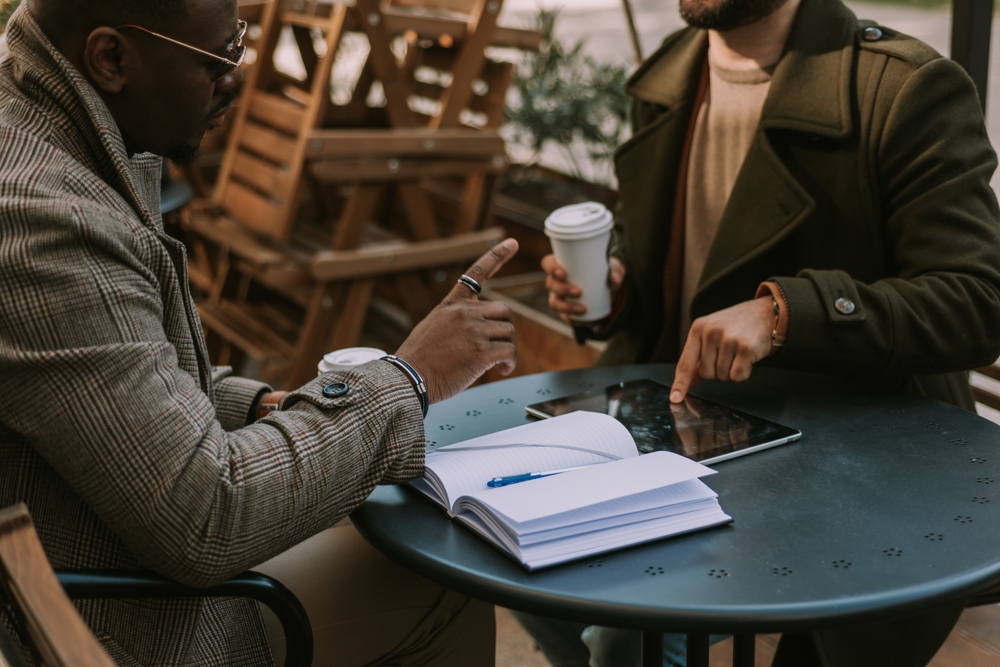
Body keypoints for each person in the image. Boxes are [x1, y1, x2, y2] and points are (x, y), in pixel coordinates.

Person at [0, 0, 520, 664]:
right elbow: (208, 517)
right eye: (216, 57)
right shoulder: (43, 221)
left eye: (242, 40)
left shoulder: (57, 113)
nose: (237, 74)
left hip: (98, 564)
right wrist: (408, 377)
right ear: (111, 58)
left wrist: (265, 407)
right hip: (126, 626)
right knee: (447, 580)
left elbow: (120, 376)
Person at [530, 0, 1000, 664]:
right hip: (682, 432)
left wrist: (786, 315)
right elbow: (673, 262)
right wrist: (615, 290)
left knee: (625, 634)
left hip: (847, 457)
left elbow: (979, 301)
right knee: (518, 558)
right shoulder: (666, 77)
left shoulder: (901, 88)